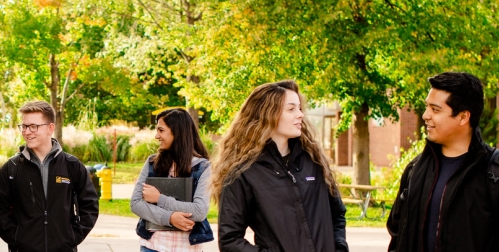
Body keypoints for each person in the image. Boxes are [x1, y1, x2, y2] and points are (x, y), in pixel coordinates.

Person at [387, 72, 499, 252]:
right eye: (426, 107)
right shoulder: (415, 170)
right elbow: (397, 234)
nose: (425, 115)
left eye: (435, 109)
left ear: (463, 117)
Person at [211, 80, 348, 252]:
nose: (300, 115)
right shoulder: (244, 173)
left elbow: (337, 214)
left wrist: (339, 248)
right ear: (267, 114)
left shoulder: (314, 161)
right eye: (291, 109)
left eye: (299, 108)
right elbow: (230, 239)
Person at [0, 100, 99, 252]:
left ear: (50, 128)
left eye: (33, 126)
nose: (27, 132)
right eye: (24, 126)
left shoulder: (71, 165)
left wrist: (72, 237)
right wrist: (16, 238)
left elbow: (90, 205)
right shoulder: (11, 168)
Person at [131, 108, 213, 252]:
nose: (157, 136)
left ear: (178, 132)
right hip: (152, 247)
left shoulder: (203, 167)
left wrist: (160, 199)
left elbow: (199, 211)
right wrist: (169, 217)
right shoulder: (152, 163)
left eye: (161, 130)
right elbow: (136, 204)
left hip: (187, 248)